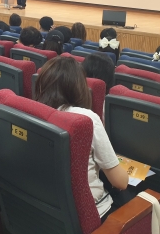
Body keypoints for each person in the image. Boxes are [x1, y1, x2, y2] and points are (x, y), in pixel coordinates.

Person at [34, 57, 127, 218]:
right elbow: (120, 182)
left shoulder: (34, 111)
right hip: (91, 213)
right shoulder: (86, 118)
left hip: (51, 208)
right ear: (79, 87)